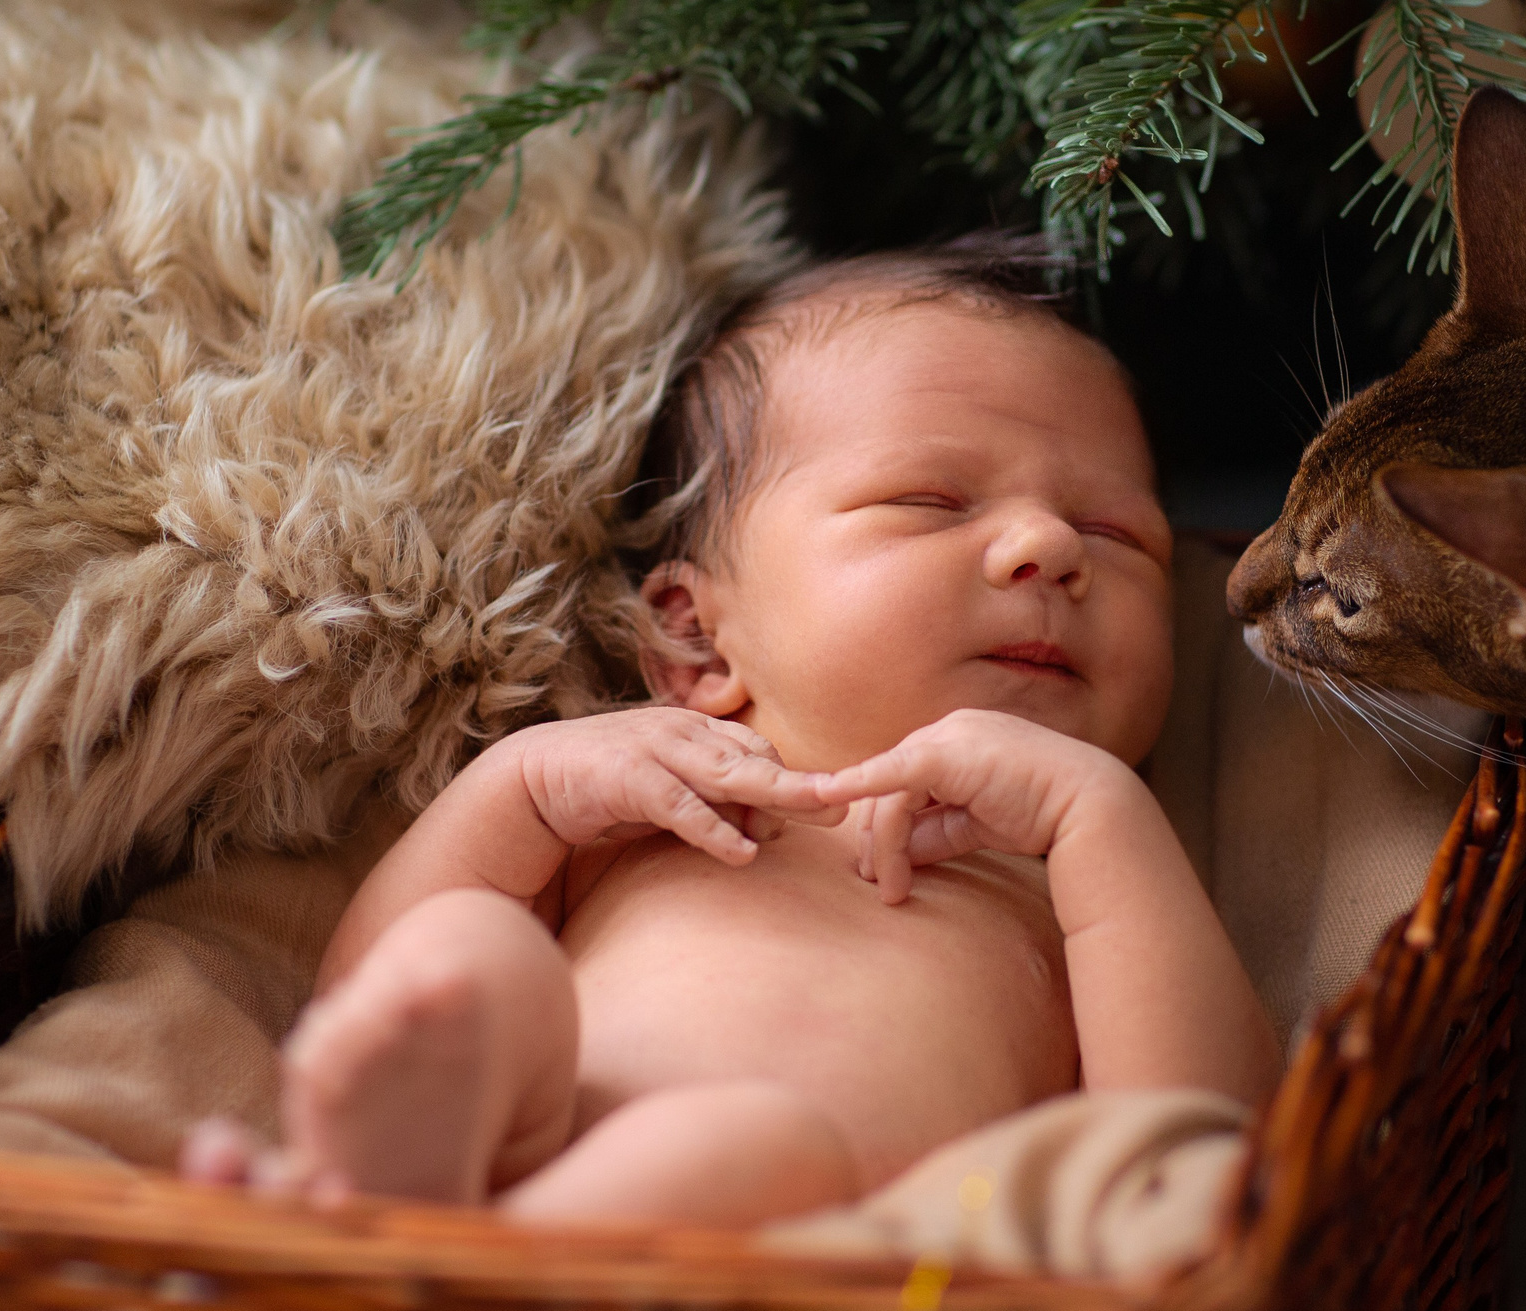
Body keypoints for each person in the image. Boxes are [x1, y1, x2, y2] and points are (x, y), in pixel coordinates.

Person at [182, 246, 1282, 1224]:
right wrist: (515, 793)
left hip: (813, 1255)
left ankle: (428, 1272)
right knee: (471, 958)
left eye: (1115, 533)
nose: (1047, 546)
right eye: (931, 502)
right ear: (698, 641)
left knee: (747, 1144)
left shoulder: (1078, 876)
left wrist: (1098, 813)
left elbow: (1189, 1154)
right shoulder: (655, 803)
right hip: (512, 1146)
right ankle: (403, 1204)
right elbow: (352, 1012)